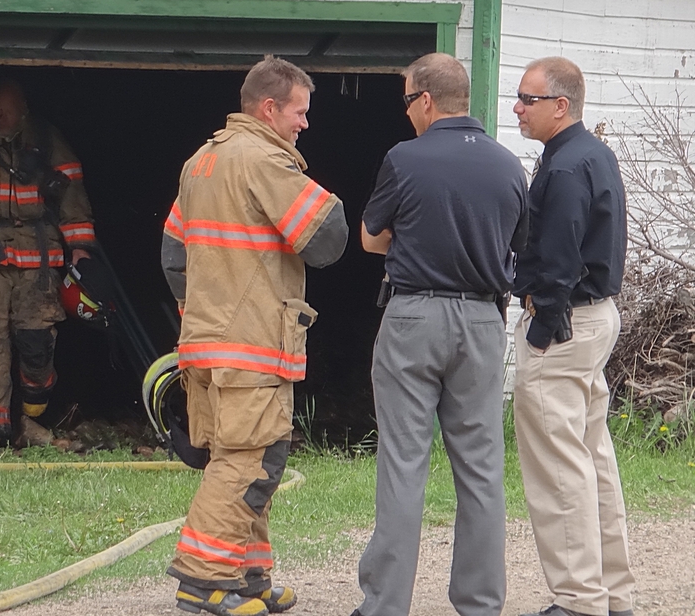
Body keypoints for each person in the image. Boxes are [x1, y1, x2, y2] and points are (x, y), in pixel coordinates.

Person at [161, 56, 349, 616]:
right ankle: (203, 580)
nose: (304, 124)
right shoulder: (263, 159)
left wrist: (203, 311)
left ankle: (248, 575)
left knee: (253, 459)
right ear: (269, 109)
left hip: (205, 347)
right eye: (299, 111)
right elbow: (327, 239)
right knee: (247, 462)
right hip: (252, 347)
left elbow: (174, 257)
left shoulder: (202, 161)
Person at [352, 52, 528, 616]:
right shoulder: (508, 165)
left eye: (407, 101)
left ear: (425, 99)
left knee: (404, 461)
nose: (406, 114)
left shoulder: (405, 158)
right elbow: (515, 245)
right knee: (481, 467)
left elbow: (370, 238)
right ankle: (480, 603)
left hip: (415, 316)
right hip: (482, 321)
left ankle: (386, 606)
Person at [511, 58, 634, 616]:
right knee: (592, 458)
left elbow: (559, 254)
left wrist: (542, 324)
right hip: (596, 317)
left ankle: (579, 599)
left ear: (560, 105)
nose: (517, 107)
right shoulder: (595, 155)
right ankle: (613, 594)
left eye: (527, 99)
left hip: (563, 323)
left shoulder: (562, 169)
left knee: (558, 465)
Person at [0, 79, 96, 447]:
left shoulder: (46, 140)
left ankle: (35, 411)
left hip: (38, 259)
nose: (0, 116)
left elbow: (72, 192)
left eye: (7, 110)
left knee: (37, 342)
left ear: (23, 111)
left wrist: (80, 247)